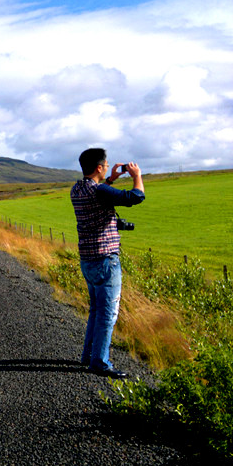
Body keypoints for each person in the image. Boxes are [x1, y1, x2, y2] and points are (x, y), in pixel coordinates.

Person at [71, 148, 145, 378]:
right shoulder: (100, 191)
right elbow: (135, 197)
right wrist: (136, 176)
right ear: (99, 167)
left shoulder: (77, 188)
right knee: (107, 313)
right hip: (106, 260)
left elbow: (101, 191)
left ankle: (88, 356)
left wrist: (112, 178)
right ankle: (100, 362)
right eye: (105, 165)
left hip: (88, 259)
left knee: (95, 310)